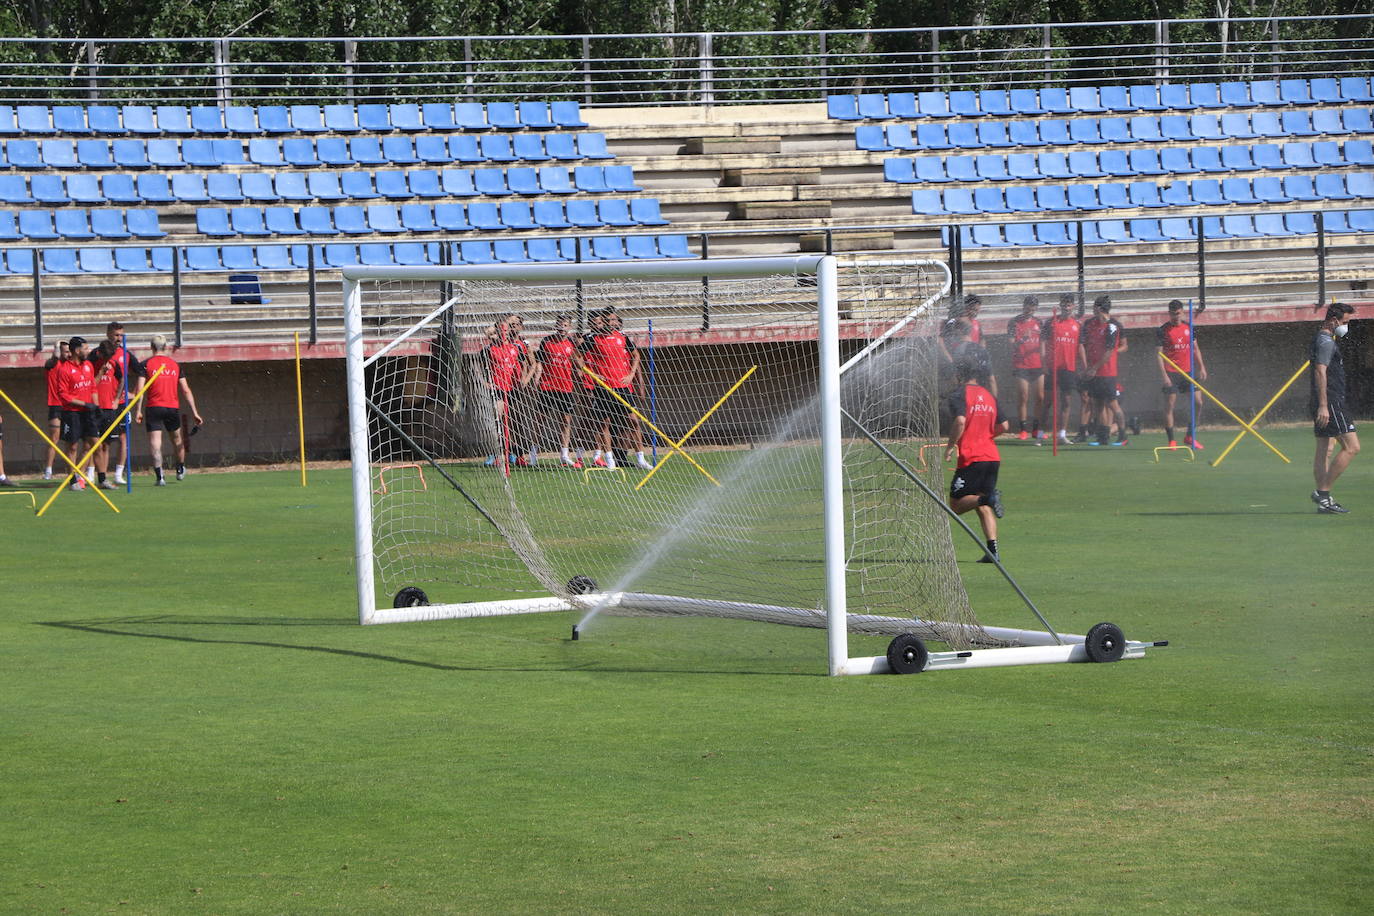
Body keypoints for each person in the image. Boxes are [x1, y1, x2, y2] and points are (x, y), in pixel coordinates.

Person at [944, 358, 1007, 564]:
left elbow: (960, 421)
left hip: (972, 458)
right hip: (992, 457)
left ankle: (989, 499)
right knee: (981, 502)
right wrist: (986, 436)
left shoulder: (958, 394)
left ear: (958, 375)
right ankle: (993, 551)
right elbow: (1005, 426)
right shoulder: (989, 395)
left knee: (956, 505)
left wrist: (950, 446)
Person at [575, 307, 653, 470]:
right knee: (604, 423)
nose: (612, 323)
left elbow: (636, 355)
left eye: (614, 320)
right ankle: (610, 460)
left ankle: (641, 459)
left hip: (623, 387)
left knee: (633, 421)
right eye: (609, 320)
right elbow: (576, 356)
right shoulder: (593, 338)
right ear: (603, 321)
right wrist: (592, 374)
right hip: (603, 388)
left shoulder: (622, 337)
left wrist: (631, 375)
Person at [1309, 303, 1359, 514]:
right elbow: (1320, 372)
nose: (1346, 326)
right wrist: (1323, 405)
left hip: (1324, 401)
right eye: (1345, 322)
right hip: (1331, 402)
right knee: (1352, 447)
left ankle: (1324, 502)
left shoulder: (1320, 339)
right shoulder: (1326, 342)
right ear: (1333, 320)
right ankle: (1323, 493)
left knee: (1325, 448)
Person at [134, 334, 203, 486]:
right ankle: (180, 468)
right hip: (172, 408)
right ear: (165, 347)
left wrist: (138, 410)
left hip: (154, 408)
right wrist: (195, 412)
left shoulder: (145, 364)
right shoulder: (175, 365)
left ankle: (160, 477)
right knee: (177, 440)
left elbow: (140, 390)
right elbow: (186, 390)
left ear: (151, 347)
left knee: (155, 443)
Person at [527, 313, 582, 467]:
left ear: (569, 327)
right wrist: (537, 377)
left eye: (565, 325)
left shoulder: (572, 343)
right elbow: (540, 362)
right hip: (548, 386)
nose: (562, 328)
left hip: (565, 387)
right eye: (560, 325)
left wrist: (580, 378)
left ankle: (564, 455)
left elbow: (578, 362)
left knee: (565, 421)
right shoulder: (547, 341)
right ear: (556, 326)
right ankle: (533, 454)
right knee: (539, 420)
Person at [1156, 299, 1207, 449]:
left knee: (1198, 402)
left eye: (1178, 313)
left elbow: (1195, 349)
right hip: (1171, 372)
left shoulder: (1189, 327)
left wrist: (1202, 367)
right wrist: (1164, 376)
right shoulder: (1163, 330)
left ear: (1183, 312)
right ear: (1169, 313)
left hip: (1187, 372)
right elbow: (1159, 355)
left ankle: (1190, 436)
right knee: (1170, 405)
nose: (1175, 316)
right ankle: (1171, 440)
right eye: (1172, 314)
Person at [1079, 295, 1129, 446]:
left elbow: (1109, 351)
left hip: (1107, 372)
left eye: (1094, 306)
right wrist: (1089, 367)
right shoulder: (1091, 324)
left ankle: (1123, 435)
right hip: (1094, 372)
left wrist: (1094, 368)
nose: (1093, 309)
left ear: (1099, 308)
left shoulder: (1112, 326)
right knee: (1098, 404)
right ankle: (1103, 437)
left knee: (1113, 404)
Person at [55, 336, 101, 490]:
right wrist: (85, 404)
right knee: (72, 446)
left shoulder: (88, 365)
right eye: (85, 348)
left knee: (94, 444)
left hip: (88, 413)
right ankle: (72, 480)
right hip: (72, 413)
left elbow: (93, 387)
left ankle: (101, 479)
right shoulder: (64, 369)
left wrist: (96, 406)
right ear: (76, 350)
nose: (88, 351)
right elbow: (64, 395)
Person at [482, 322, 526, 467]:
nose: (504, 333)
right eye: (501, 331)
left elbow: (525, 364)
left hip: (513, 389)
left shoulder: (516, 347)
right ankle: (495, 453)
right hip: (498, 389)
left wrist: (523, 379)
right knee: (497, 418)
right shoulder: (489, 349)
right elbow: (477, 367)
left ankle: (512, 452)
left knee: (512, 422)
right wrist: (484, 382)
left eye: (506, 330)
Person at [1045, 294, 1086, 444]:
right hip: (1052, 367)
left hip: (1069, 367)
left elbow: (1080, 346)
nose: (1066, 307)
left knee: (1066, 401)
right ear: (1060, 305)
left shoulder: (1077, 325)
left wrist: (1085, 365)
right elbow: (1043, 343)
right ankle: (1040, 434)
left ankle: (1062, 434)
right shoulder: (1051, 322)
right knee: (1047, 401)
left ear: (1073, 306)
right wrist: (1044, 363)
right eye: (1064, 304)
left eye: (1069, 305)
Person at [1006, 295, 1046, 441]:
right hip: (1021, 365)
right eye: (1028, 305)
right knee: (1023, 396)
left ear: (1036, 308)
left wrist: (1044, 362)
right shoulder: (1014, 322)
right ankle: (1023, 430)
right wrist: (1023, 339)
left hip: (1037, 364)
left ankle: (1036, 430)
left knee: (1040, 397)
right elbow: (1011, 345)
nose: (1031, 308)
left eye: (1033, 306)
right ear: (1024, 306)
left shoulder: (1039, 322)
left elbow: (1043, 344)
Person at [42, 340, 69, 479]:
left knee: (70, 441)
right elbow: (54, 358)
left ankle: (72, 472)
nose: (68, 354)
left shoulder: (71, 366)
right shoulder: (52, 364)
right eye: (66, 351)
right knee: (54, 438)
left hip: (69, 406)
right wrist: (57, 346)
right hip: (56, 405)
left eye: (69, 351)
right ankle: (48, 470)